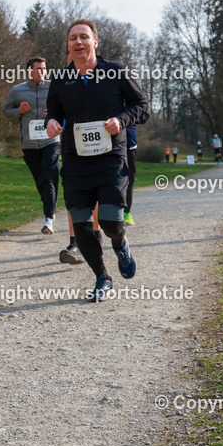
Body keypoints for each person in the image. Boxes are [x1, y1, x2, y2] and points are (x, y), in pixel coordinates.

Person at [45, 19, 149, 302]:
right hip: (76, 160)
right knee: (80, 224)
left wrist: (121, 120)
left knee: (111, 222)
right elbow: (52, 111)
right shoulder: (61, 79)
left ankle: (120, 242)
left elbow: (142, 106)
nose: (78, 42)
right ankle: (102, 277)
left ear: (95, 42)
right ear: (68, 45)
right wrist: (52, 122)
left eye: (83, 37)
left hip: (111, 159)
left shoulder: (116, 72)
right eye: (72, 39)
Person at [3, 57, 59, 235]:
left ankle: (49, 217)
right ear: (30, 71)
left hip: (51, 140)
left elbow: (66, 108)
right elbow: (6, 111)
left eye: (44, 68)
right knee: (40, 179)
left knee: (50, 175)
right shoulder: (18, 90)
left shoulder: (53, 87)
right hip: (29, 143)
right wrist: (19, 111)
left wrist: (54, 113)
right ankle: (49, 206)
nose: (43, 72)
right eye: (39, 69)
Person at [124, 124, 138, 225]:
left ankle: (127, 213)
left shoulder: (130, 108)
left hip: (130, 147)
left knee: (130, 181)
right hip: (111, 148)